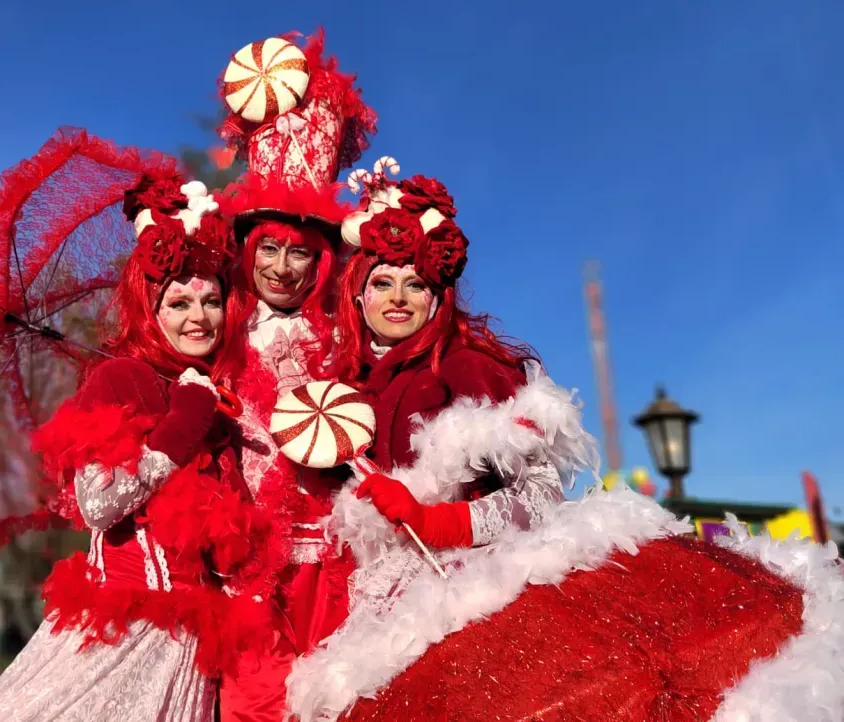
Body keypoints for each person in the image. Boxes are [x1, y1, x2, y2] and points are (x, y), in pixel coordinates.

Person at [286, 164, 844, 722]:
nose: (399, 298)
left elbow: (539, 494)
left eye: (416, 285)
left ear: (438, 299)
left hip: (483, 595)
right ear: (357, 296)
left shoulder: (470, 368)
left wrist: (435, 520)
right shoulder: (349, 392)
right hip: (384, 616)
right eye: (383, 283)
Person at [0, 164, 267, 722]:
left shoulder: (213, 397)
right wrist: (183, 424)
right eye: (179, 304)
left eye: (211, 302)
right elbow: (99, 505)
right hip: (123, 632)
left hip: (190, 649)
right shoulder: (122, 378)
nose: (199, 318)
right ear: (150, 310)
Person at [211, 29, 377, 721]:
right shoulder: (214, 335)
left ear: (322, 261)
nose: (282, 268)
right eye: (269, 249)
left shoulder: (348, 338)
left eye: (299, 253)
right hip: (243, 565)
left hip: (337, 565)